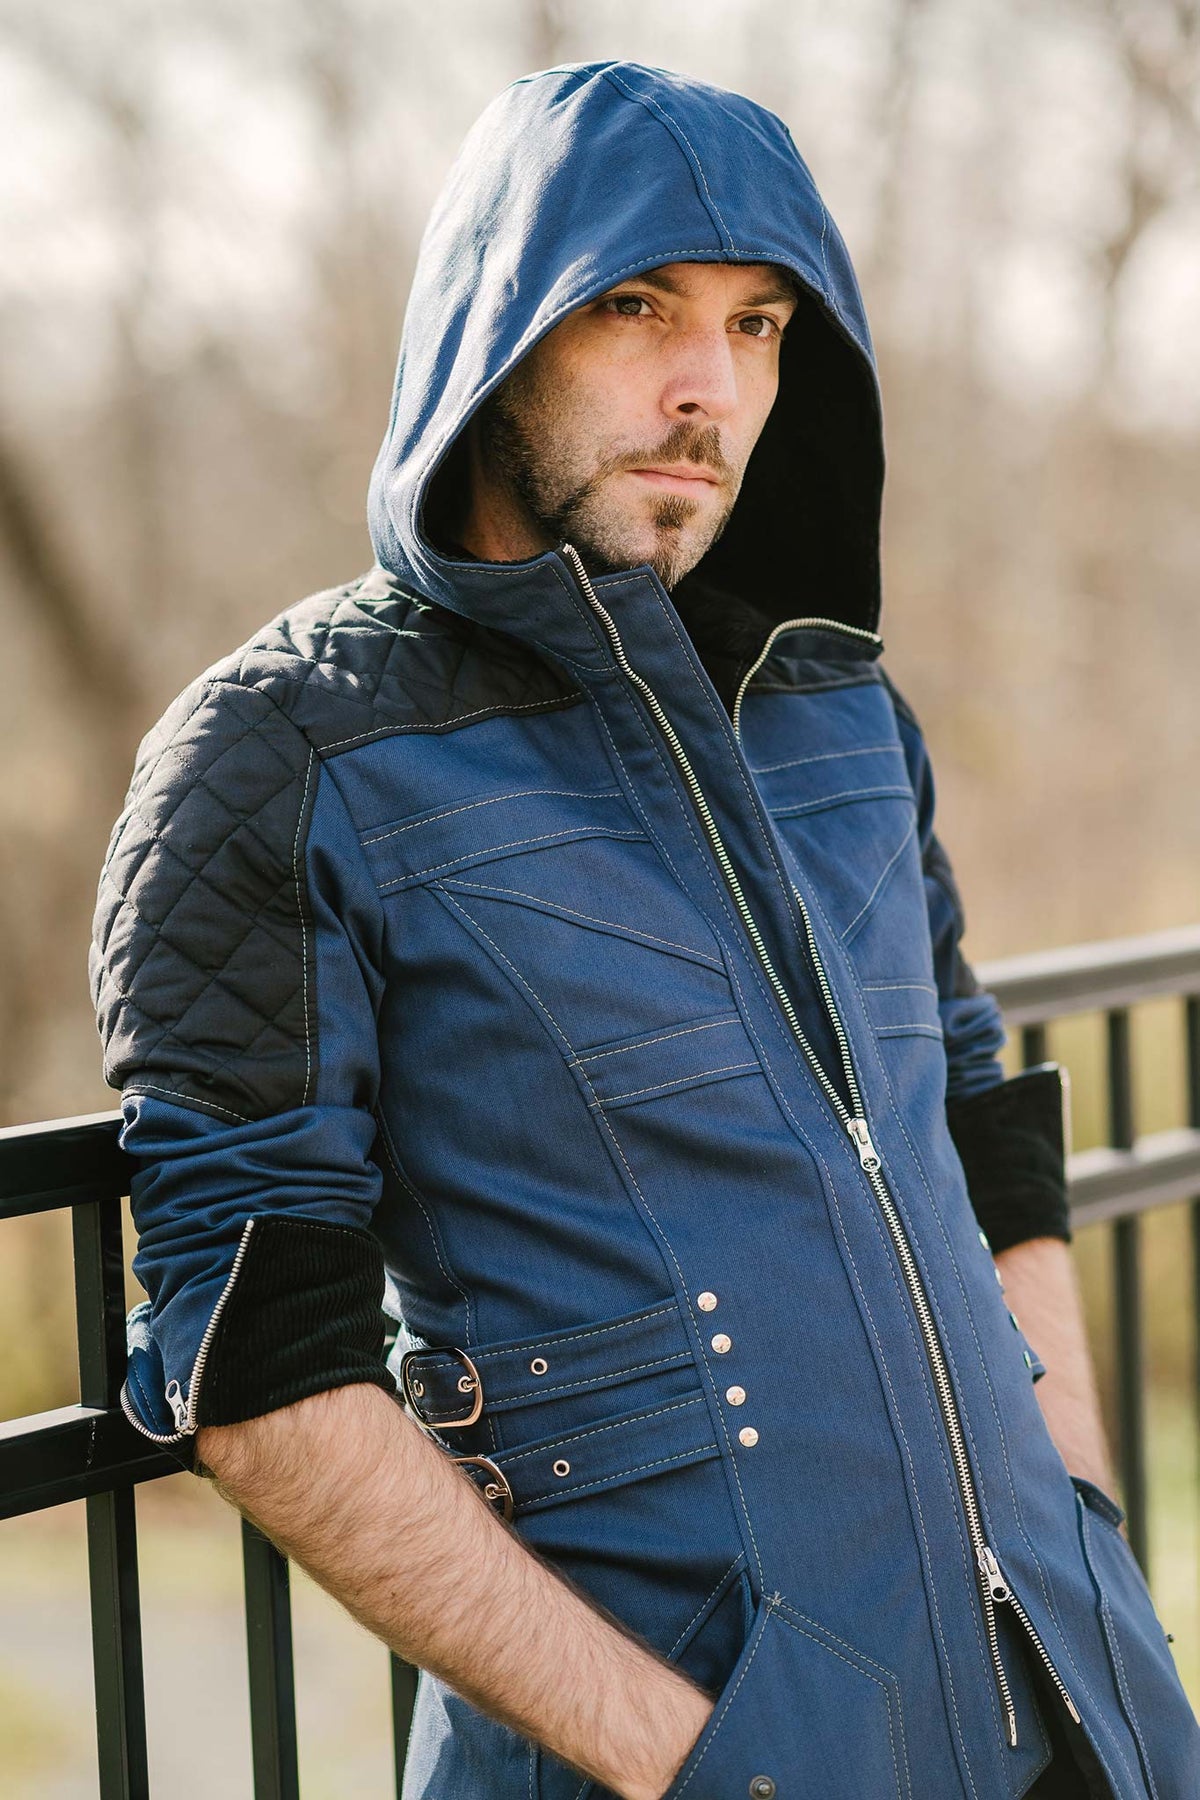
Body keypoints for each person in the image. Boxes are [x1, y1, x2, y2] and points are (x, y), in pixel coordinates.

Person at [91, 62, 1198, 1800]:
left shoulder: (839, 713)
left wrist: (1084, 1541)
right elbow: (258, 1362)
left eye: (758, 327)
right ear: (494, 329)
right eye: (636, 307)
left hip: (1084, 1723)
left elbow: (979, 1125)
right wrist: (708, 1765)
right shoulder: (287, 754)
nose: (710, 389)